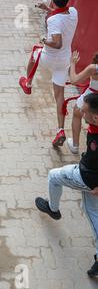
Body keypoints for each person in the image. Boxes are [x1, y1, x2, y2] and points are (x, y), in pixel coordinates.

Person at [35, 93, 98, 279]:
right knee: (92, 212)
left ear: (95, 117)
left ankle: (53, 208)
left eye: (84, 112)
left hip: (86, 177)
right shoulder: (95, 125)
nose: (80, 113)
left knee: (53, 176)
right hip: (91, 176)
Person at [19, 0, 78, 147]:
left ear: (53, 1)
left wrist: (44, 39)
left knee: (34, 52)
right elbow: (62, 15)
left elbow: (57, 43)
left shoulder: (52, 20)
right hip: (64, 61)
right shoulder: (74, 13)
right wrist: (48, 9)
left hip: (49, 58)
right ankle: (60, 130)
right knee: (59, 96)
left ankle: (28, 83)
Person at [66, 51, 98, 154]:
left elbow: (74, 80)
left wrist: (72, 63)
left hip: (91, 96)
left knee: (77, 113)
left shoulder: (93, 68)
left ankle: (75, 145)